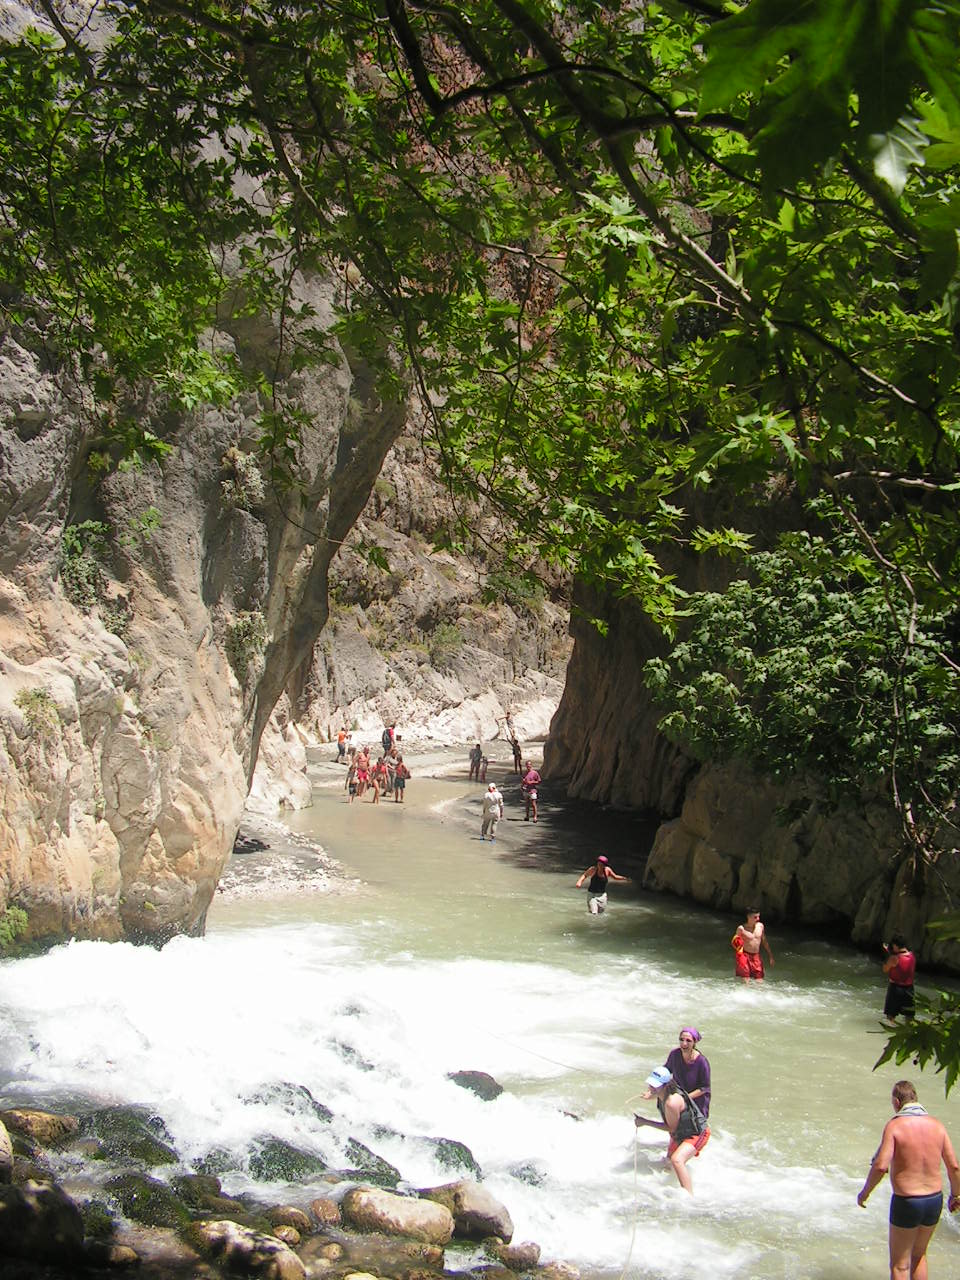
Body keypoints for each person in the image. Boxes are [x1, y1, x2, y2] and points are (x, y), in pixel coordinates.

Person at [857, 1080, 960, 1280]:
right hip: (933, 1200)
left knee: (900, 1265)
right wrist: (956, 1195)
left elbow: (880, 1166)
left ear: (897, 1102)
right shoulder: (937, 1125)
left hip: (907, 1202)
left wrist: (865, 1193)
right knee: (919, 1255)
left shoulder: (895, 1126)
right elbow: (954, 1166)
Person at [634, 1066, 710, 1195]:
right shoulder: (663, 1093)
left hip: (697, 1133)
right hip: (680, 1134)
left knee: (677, 1160)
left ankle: (688, 1197)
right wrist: (650, 1095)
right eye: (650, 1084)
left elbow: (671, 1127)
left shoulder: (672, 1102)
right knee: (668, 1163)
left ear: (665, 1085)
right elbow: (674, 1129)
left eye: (655, 1086)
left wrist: (645, 1122)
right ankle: (667, 1188)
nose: (651, 1088)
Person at [663, 1028, 711, 1117]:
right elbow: (665, 1071)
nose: (684, 1043)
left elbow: (704, 1088)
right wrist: (652, 1090)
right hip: (678, 1099)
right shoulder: (674, 1054)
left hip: (697, 1105)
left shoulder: (702, 1062)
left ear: (694, 1043)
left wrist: (685, 1098)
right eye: (681, 1040)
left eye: (688, 1041)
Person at [883, 934, 916, 1021]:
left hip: (896, 989)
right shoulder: (912, 955)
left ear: (895, 945)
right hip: (909, 989)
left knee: (890, 1016)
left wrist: (888, 955)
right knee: (909, 1016)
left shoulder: (893, 958)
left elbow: (885, 969)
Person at [734, 907, 774, 980]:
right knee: (746, 979)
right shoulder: (741, 929)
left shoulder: (760, 926)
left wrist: (770, 956)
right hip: (745, 956)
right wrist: (740, 957)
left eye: (758, 916)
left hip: (756, 956)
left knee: (759, 979)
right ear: (748, 917)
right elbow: (735, 942)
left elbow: (764, 941)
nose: (758, 919)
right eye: (755, 917)